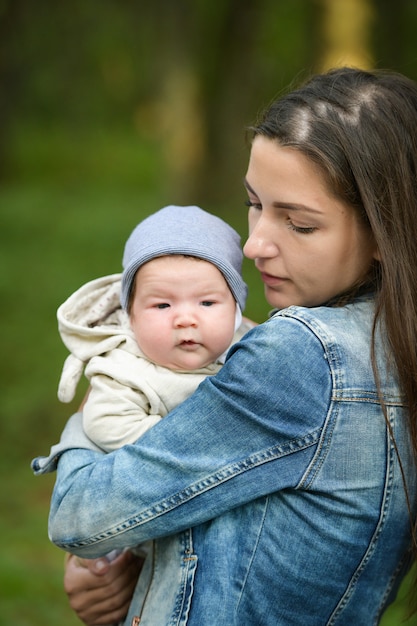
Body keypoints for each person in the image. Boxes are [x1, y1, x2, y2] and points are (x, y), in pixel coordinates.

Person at [34, 66, 417, 625]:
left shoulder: (302, 357)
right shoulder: (393, 344)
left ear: (387, 231)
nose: (255, 243)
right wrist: (134, 561)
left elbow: (79, 515)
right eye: (255, 203)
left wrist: (98, 401)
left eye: (301, 224)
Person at [56, 204, 249, 453]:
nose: (185, 319)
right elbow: (106, 424)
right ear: (131, 316)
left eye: (207, 302)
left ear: (235, 310)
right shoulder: (125, 369)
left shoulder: (251, 348)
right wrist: (192, 442)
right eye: (162, 305)